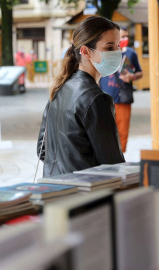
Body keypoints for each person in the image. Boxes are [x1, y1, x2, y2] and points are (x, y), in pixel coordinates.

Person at [37, 16, 125, 177]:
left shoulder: (59, 88)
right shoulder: (97, 98)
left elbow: (42, 151)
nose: (117, 52)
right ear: (85, 51)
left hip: (53, 191)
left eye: (118, 46)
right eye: (109, 47)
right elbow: (112, 164)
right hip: (86, 194)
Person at [99, 25, 143, 153]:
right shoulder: (105, 53)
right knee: (106, 131)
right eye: (122, 36)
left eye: (126, 36)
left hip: (123, 98)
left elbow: (140, 73)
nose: (125, 39)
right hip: (106, 99)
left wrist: (132, 76)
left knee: (123, 132)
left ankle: (120, 156)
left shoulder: (131, 54)